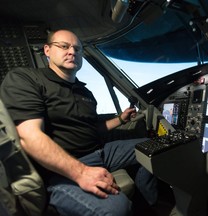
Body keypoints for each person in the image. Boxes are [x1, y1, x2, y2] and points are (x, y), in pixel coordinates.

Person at [0, 29, 157, 216]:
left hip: (101, 152)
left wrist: (120, 119)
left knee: (154, 148)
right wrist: (81, 172)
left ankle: (148, 208)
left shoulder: (85, 92)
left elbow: (93, 129)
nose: (72, 52)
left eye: (77, 49)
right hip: (61, 169)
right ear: (47, 50)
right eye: (64, 46)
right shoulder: (27, 79)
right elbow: (29, 136)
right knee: (117, 210)